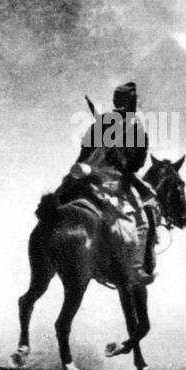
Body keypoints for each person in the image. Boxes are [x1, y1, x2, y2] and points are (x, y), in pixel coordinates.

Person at [72, 81, 156, 284]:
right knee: (143, 222)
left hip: (89, 179)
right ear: (132, 102)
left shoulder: (100, 123)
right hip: (115, 183)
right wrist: (121, 162)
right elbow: (138, 164)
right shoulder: (135, 126)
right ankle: (136, 268)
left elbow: (82, 156)